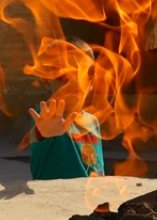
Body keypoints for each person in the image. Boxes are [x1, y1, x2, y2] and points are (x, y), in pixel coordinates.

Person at [17, 39, 105, 179]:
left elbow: (97, 168)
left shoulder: (92, 121)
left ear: (92, 79)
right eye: (63, 75)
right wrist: (43, 132)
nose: (73, 81)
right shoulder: (46, 117)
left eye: (81, 72)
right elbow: (42, 130)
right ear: (47, 78)